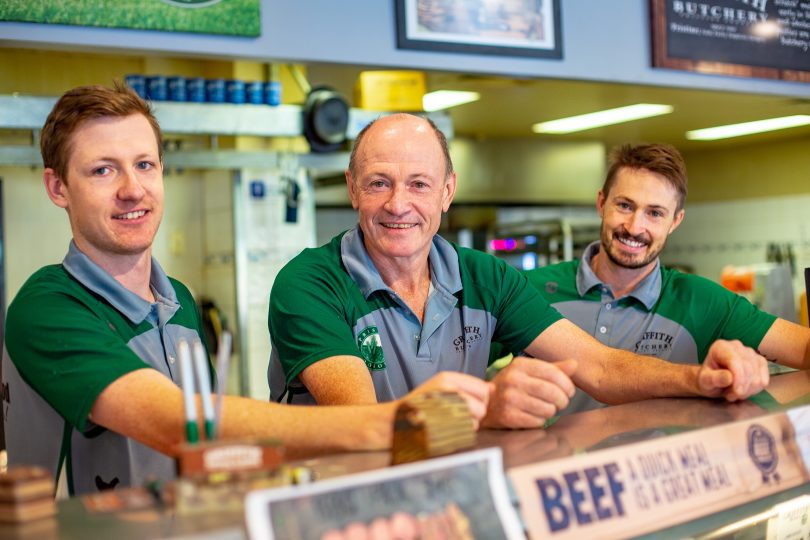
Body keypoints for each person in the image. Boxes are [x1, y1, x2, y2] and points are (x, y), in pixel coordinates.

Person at [1, 84, 491, 497]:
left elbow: (205, 454)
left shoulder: (179, 303)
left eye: (145, 165)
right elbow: (176, 424)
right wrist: (396, 424)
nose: (133, 189)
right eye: (103, 170)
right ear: (58, 187)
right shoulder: (47, 306)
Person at [268, 114, 770, 429]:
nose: (399, 204)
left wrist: (699, 379)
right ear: (353, 189)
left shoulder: (485, 277)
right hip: (337, 513)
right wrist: (484, 411)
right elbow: (362, 428)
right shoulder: (310, 283)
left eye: (420, 184)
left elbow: (599, 366)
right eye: (379, 183)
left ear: (447, 192)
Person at [523, 143, 810, 413]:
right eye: (624, 205)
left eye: (655, 213)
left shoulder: (702, 301)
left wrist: (747, 368)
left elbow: (803, 348)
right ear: (601, 203)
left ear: (675, 221)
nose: (635, 227)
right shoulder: (529, 289)